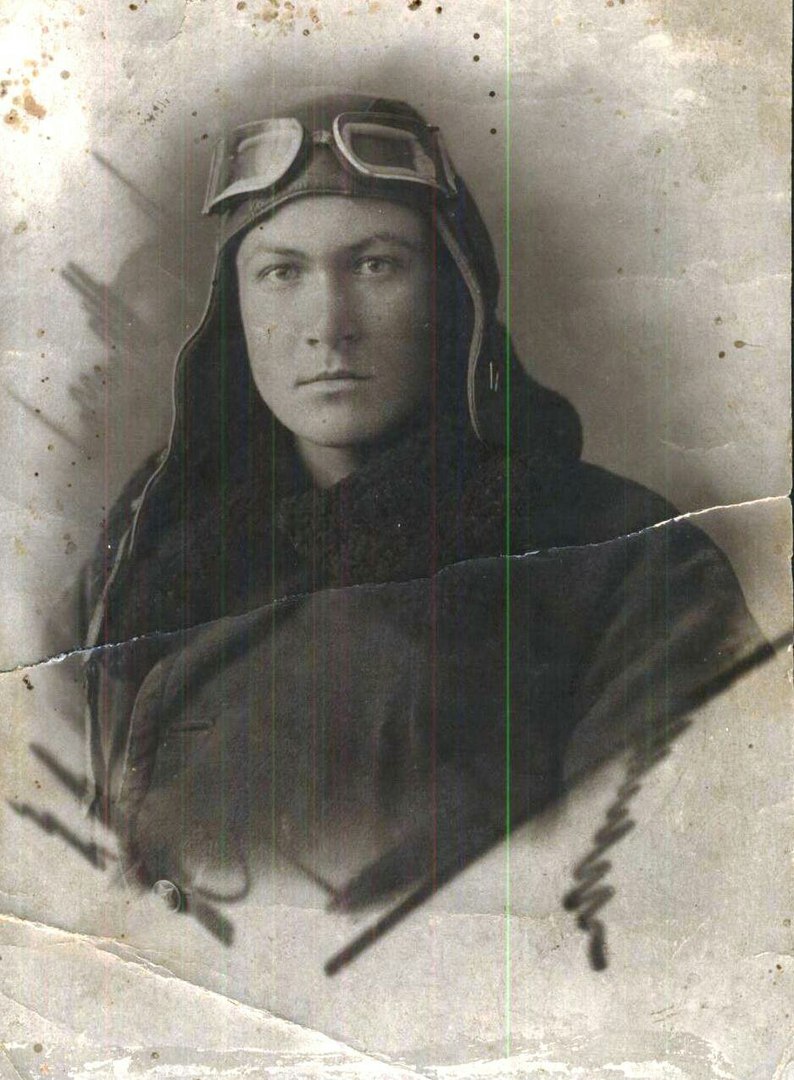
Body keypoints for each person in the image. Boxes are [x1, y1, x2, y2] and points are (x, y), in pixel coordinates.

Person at [82, 94, 767, 931]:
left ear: (453, 293)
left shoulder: (627, 564)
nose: (328, 326)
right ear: (235, 311)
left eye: (376, 266)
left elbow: (677, 898)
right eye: (282, 272)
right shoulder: (146, 569)